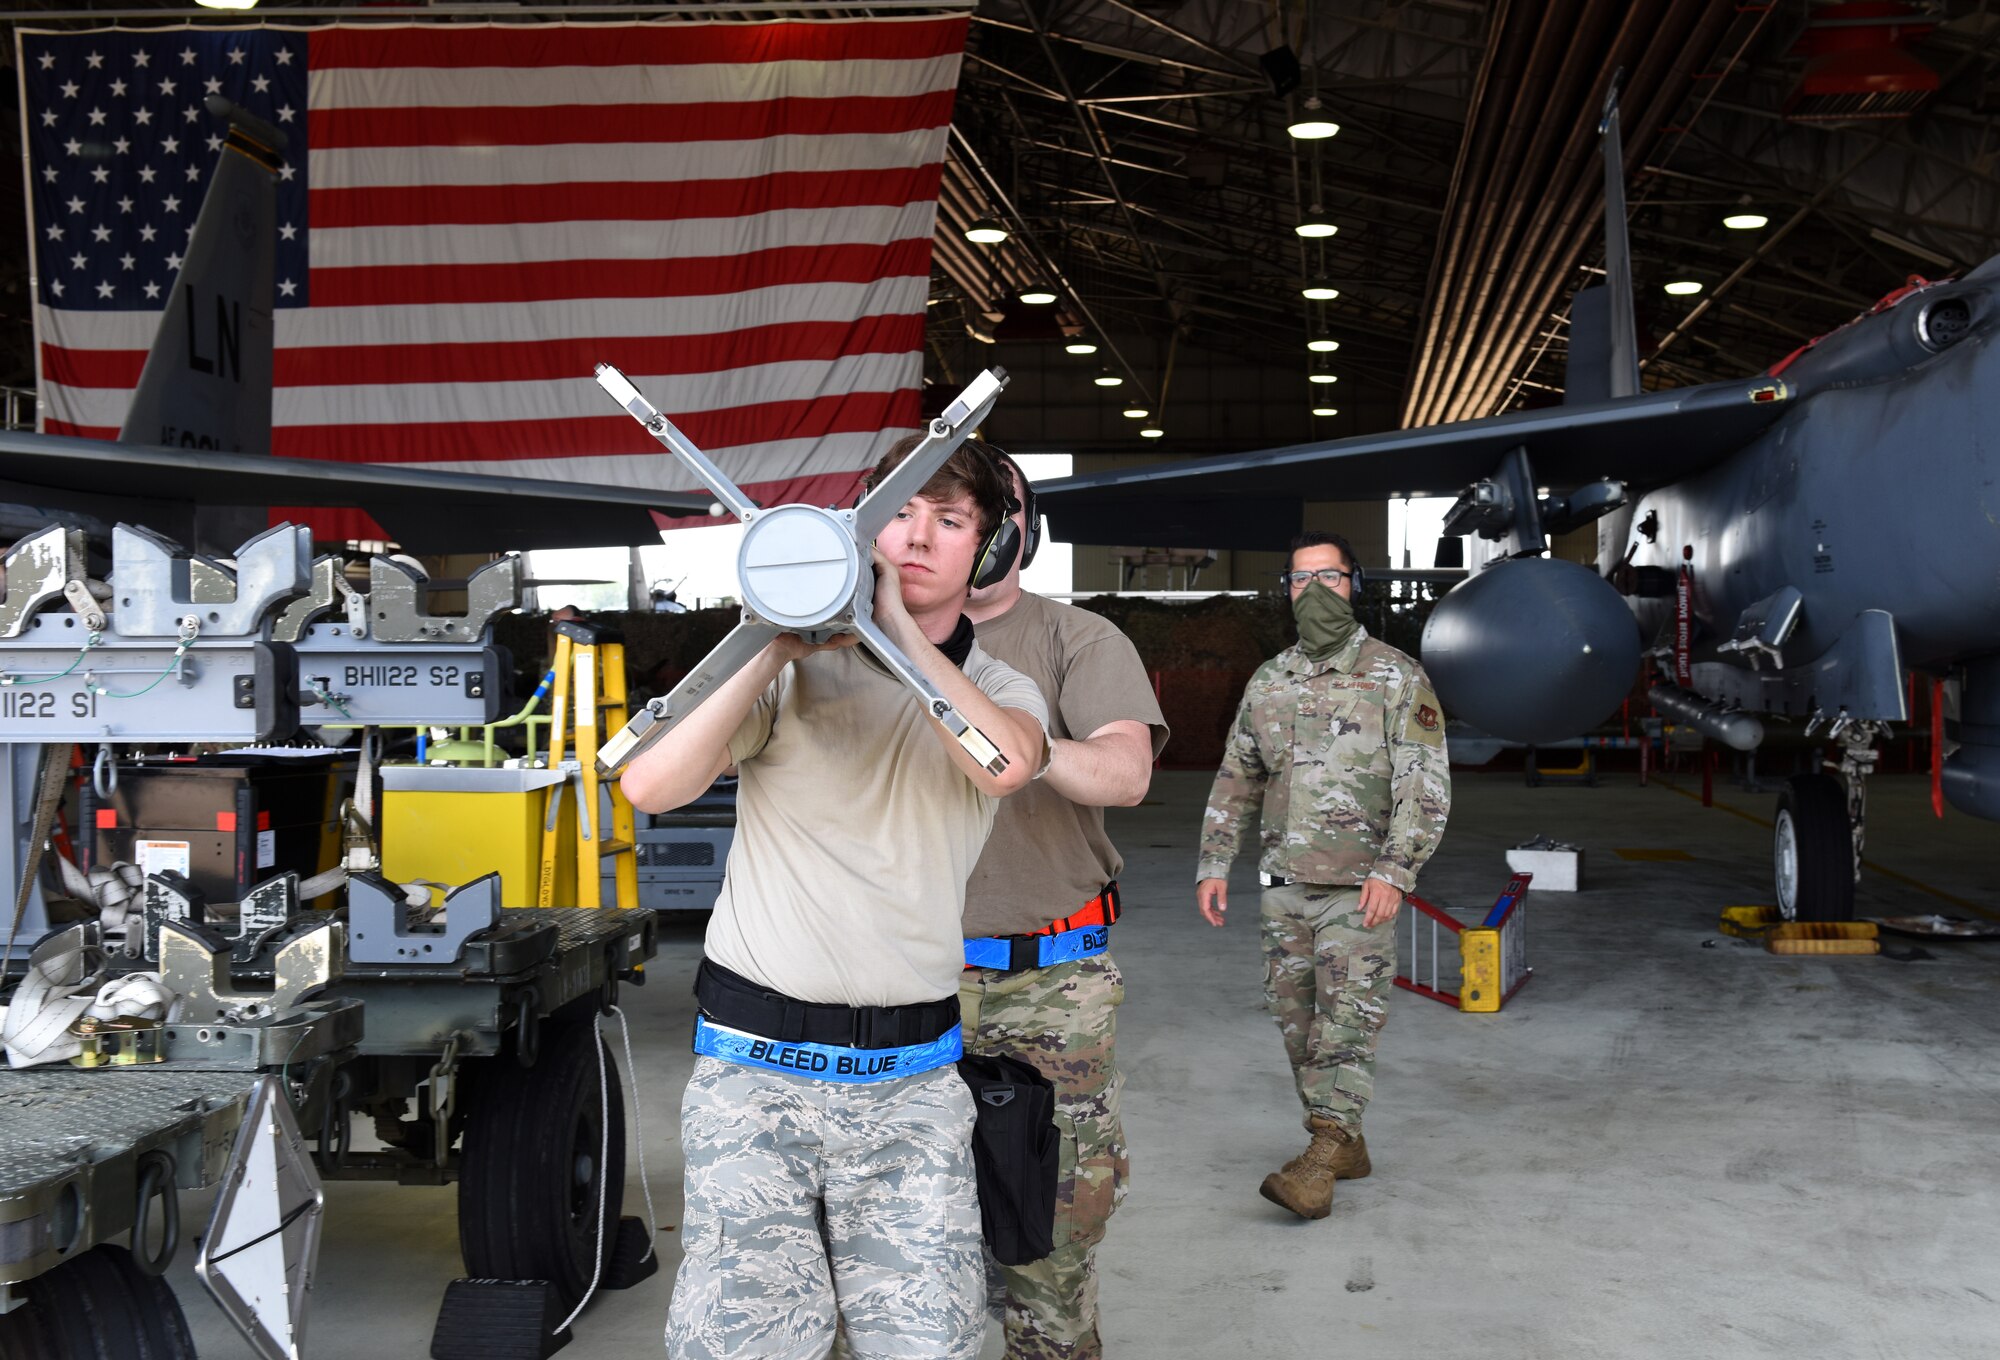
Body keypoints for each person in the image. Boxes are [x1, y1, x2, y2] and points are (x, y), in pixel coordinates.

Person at [623, 440, 1050, 1360]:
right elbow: (650, 786)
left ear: (986, 548)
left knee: (925, 1344)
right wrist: (776, 633)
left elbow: (1006, 763)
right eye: (900, 514)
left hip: (911, 1084)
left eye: (952, 519)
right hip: (753, 1075)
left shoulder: (1000, 692)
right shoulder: (786, 674)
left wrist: (894, 626)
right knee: (746, 1346)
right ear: (860, 529)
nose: (921, 536)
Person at [958, 445, 1167, 1360]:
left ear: (1020, 529)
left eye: (981, 509)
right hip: (894, 980)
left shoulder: (1075, 640)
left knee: (1048, 1242)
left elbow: (1125, 773)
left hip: (1046, 986)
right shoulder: (861, 643)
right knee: (885, 1247)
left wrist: (1020, 742)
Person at [1193, 529, 1451, 1220]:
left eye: (1328, 578)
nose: (1313, 592)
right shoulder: (1269, 681)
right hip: (1284, 888)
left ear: (1354, 585)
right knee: (1298, 1026)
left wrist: (1396, 871)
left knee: (1345, 1028)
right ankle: (1348, 1141)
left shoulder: (1396, 677)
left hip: (1358, 889)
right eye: (1300, 580)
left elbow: (1424, 784)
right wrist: (1215, 862)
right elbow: (1238, 776)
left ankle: (1319, 1159)